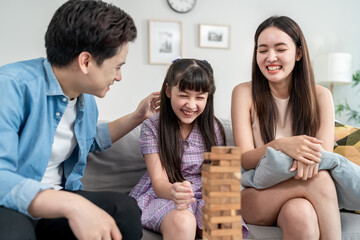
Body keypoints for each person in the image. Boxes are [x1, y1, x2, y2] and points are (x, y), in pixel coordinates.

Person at [0, 1, 160, 239]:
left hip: (56, 204)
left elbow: (88, 140)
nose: (119, 77)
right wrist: (70, 204)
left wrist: (138, 117)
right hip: (10, 205)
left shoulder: (84, 99)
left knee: (124, 210)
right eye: (117, 67)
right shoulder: (11, 86)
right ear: (85, 61)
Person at [231, 16, 341, 239]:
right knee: (319, 180)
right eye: (262, 50)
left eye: (280, 49)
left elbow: (324, 157)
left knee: (301, 214)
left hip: (301, 193)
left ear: (298, 53)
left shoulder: (321, 96)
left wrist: (305, 154)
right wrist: (282, 146)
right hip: (256, 194)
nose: (270, 57)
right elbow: (244, 159)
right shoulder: (243, 93)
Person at [130, 58, 248, 240]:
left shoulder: (213, 127)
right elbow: (159, 182)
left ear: (208, 97)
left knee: (222, 223)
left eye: (200, 97)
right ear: (168, 91)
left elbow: (220, 181)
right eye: (184, 95)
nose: (191, 105)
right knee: (183, 220)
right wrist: (174, 191)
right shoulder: (152, 127)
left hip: (205, 195)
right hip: (166, 194)